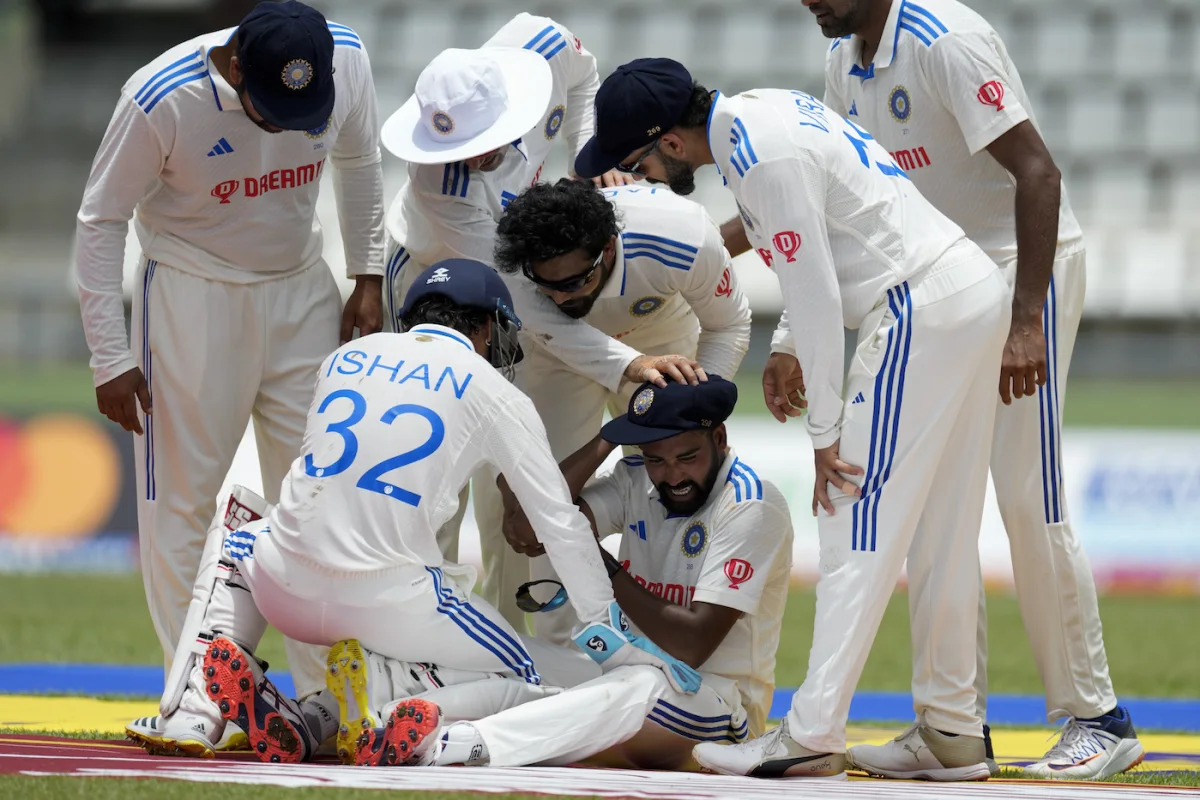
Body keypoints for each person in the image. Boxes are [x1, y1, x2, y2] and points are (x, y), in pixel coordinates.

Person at [575, 58, 1011, 781]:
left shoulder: (758, 154)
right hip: (963, 291)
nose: (644, 176)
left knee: (850, 514)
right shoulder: (762, 113)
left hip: (916, 304)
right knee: (943, 527)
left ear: (671, 143)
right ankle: (952, 729)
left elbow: (812, 291)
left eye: (639, 161)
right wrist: (784, 349)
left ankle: (810, 733)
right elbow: (812, 240)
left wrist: (824, 436)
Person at [138, 258, 700, 764]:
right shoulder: (493, 390)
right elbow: (557, 521)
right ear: (483, 326)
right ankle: (391, 708)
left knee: (240, 527)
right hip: (392, 604)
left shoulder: (344, 357)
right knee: (529, 677)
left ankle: (202, 713)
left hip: (281, 588)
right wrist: (613, 634)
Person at [803, 0, 1142, 780]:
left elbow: (1039, 171)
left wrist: (1027, 323)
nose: (808, 2)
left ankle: (1099, 718)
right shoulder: (843, 58)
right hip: (943, 285)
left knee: (1028, 496)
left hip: (1024, 268)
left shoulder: (943, 39)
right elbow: (830, 198)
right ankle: (950, 727)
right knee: (938, 506)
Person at [75, 0, 386, 733]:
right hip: (191, 292)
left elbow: (360, 160)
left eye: (300, 112)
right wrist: (110, 355)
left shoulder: (348, 60)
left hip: (302, 286)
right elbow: (100, 220)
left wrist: (367, 274)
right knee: (180, 504)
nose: (285, 127)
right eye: (272, 109)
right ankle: (200, 696)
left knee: (317, 494)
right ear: (236, 65)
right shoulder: (159, 97)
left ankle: (331, 703)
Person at [377, 24, 705, 628]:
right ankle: (427, 644)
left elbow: (587, 82)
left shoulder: (545, 47)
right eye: (459, 149)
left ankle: (514, 644)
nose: (474, 158)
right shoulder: (437, 187)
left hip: (515, 268)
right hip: (436, 283)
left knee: (511, 459)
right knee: (438, 481)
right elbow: (528, 303)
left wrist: (592, 164)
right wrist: (624, 364)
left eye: (484, 141)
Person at [355, 377, 794, 771]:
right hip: (629, 675)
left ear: (719, 437)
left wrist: (593, 558)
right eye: (656, 459)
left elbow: (691, 644)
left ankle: (469, 744)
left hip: (717, 709)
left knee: (636, 686)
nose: (672, 475)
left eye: (688, 456)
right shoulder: (635, 477)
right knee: (511, 652)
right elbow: (529, 526)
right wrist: (607, 437)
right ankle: (378, 720)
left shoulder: (751, 504)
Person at [492, 178, 752, 642]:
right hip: (557, 352)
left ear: (609, 248)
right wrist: (631, 366)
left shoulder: (683, 235)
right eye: (546, 286)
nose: (562, 297)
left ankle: (674, 619)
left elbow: (729, 323)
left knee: (683, 471)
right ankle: (562, 650)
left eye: (576, 281)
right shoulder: (515, 263)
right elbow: (555, 323)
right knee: (544, 493)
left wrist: (697, 406)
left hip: (662, 330)